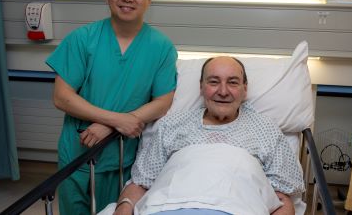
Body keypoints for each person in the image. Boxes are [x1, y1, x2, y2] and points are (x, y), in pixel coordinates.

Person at [46, 0, 177, 214]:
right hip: (77, 153)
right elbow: (62, 96)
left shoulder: (161, 47)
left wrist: (113, 124)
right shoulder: (83, 39)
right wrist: (116, 121)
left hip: (124, 158)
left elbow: (163, 101)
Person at [106, 56, 304, 215]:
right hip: (166, 207)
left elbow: (282, 198)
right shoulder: (172, 124)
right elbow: (141, 183)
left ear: (245, 89)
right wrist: (124, 207)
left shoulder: (265, 129)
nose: (223, 91)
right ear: (201, 87)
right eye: (214, 82)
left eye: (233, 82)